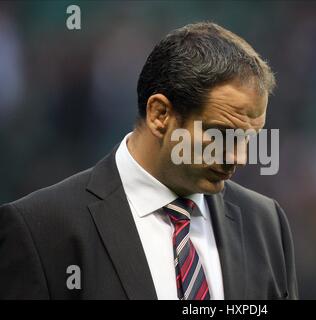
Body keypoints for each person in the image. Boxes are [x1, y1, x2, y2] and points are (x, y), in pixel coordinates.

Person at [0, 22, 298, 300]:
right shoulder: (41, 230)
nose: (239, 157)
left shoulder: (266, 224)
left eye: (248, 138)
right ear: (160, 115)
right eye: (221, 134)